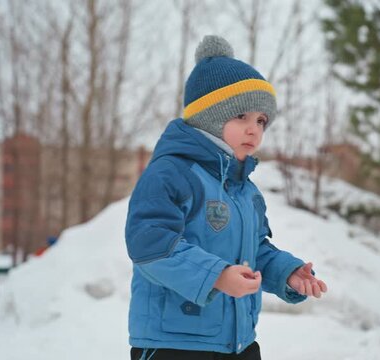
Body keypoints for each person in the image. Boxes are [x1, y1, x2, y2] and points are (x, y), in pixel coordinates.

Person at [125, 35, 328, 360]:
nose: (254, 129)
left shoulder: (245, 191)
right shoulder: (171, 172)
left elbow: (255, 250)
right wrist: (217, 276)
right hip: (175, 344)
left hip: (238, 341)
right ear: (209, 117)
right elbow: (150, 245)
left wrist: (287, 273)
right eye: (241, 117)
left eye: (261, 120)